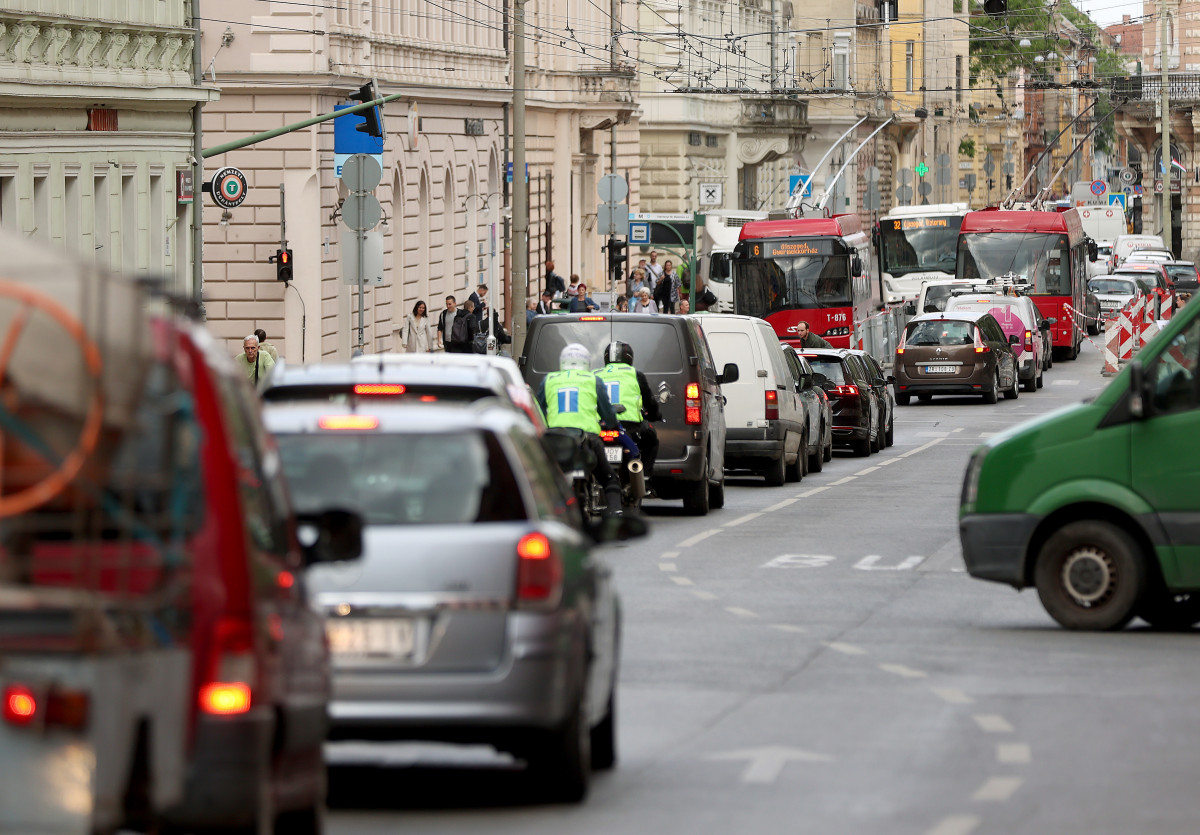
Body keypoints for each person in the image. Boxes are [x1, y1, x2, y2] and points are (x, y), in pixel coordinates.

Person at [536, 343, 624, 516]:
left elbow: (538, 410)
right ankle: (616, 513)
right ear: (587, 363)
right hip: (587, 440)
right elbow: (607, 412)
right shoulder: (593, 380)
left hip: (557, 441)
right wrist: (612, 424)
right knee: (608, 478)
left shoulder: (549, 380)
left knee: (546, 479)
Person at [597, 340, 662, 496]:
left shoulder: (595, 374)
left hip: (600, 425)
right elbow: (649, 401)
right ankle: (644, 478)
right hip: (629, 426)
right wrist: (655, 415)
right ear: (629, 357)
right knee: (652, 441)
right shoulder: (635, 374)